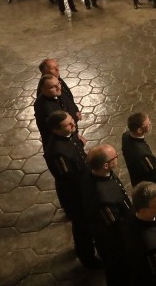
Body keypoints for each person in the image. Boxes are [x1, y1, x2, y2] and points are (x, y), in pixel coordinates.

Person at [42, 111, 101, 269]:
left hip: (85, 185)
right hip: (76, 194)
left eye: (71, 121)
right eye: (68, 124)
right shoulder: (56, 152)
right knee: (82, 226)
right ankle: (87, 256)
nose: (73, 124)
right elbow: (68, 178)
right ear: (56, 130)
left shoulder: (70, 134)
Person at [82, 145, 133, 286]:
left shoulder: (100, 173)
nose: (117, 157)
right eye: (114, 157)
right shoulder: (102, 197)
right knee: (118, 271)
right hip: (114, 243)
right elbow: (114, 226)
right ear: (105, 165)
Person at [33, 74, 80, 143]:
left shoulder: (57, 92)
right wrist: (77, 139)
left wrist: (76, 111)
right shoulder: (46, 109)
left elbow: (69, 101)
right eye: (52, 87)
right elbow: (61, 132)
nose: (58, 88)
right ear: (43, 90)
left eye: (58, 84)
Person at [121, 112, 156, 186]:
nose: (150, 124)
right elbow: (154, 173)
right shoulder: (143, 154)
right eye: (147, 124)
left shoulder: (125, 135)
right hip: (146, 183)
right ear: (139, 130)